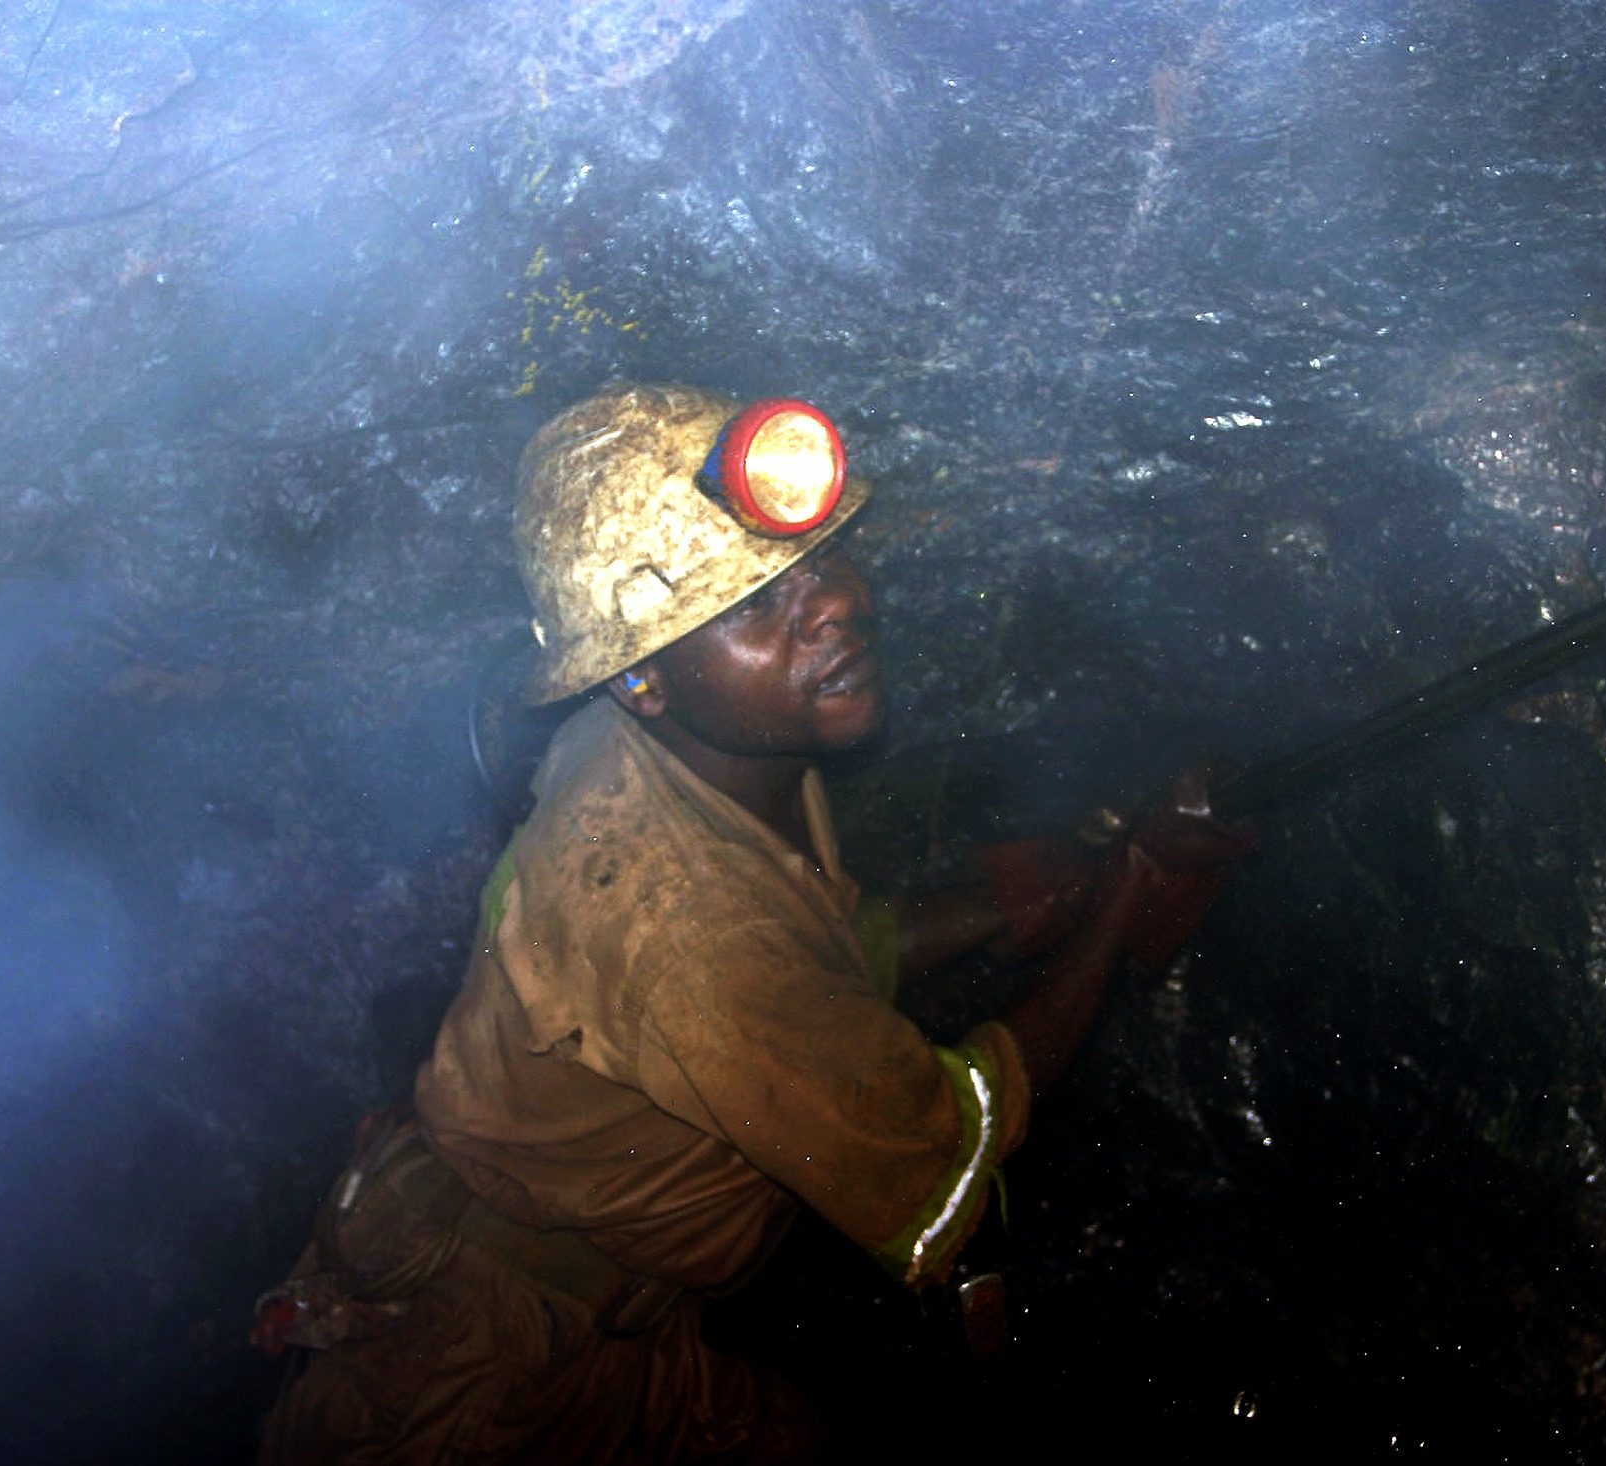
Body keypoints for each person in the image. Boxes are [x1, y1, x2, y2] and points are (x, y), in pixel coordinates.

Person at [252, 382, 1252, 1462]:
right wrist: (1126, 889)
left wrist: (1031, 894)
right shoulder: (687, 928)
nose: (831, 604)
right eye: (748, 606)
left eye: (819, 557)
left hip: (584, 1304)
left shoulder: (681, 751)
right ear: (642, 679)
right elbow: (947, 1157)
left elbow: (824, 945)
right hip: (472, 1379)